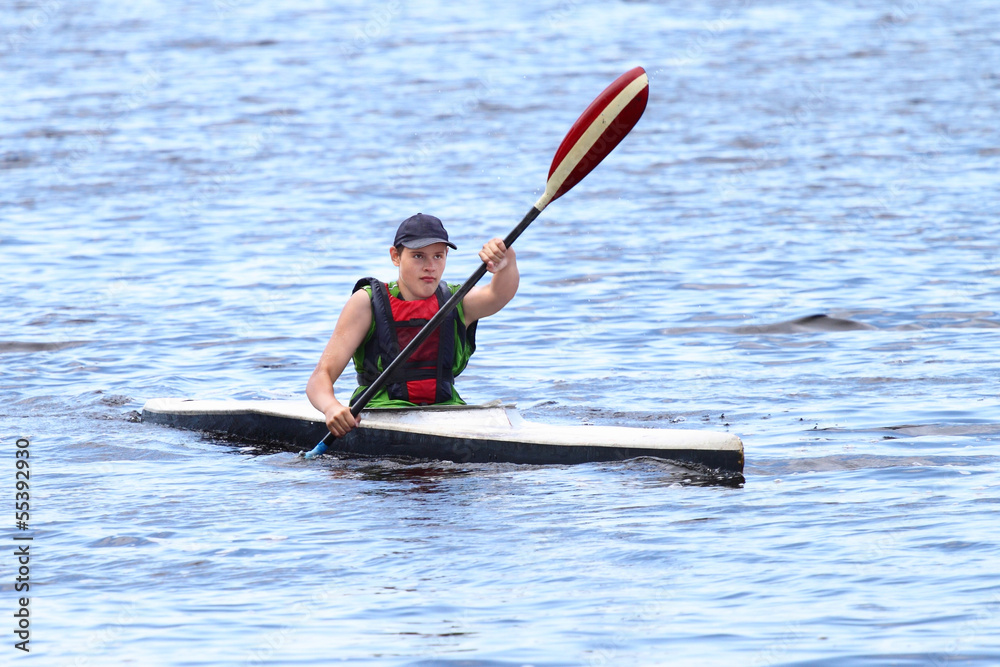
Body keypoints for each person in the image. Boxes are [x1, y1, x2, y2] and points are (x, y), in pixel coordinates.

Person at [306, 213, 518, 438]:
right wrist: (332, 408)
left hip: (448, 414)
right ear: (395, 256)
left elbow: (499, 294)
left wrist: (507, 260)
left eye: (438, 256)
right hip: (378, 415)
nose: (430, 267)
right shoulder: (365, 303)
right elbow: (320, 378)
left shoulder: (456, 301)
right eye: (418, 256)